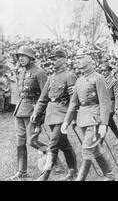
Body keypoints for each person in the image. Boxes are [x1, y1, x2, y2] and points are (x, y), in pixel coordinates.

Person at [61, 48, 114, 181]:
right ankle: (109, 175)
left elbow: (105, 102)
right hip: (83, 119)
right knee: (94, 149)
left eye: (80, 58)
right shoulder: (79, 80)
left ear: (89, 59)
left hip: (95, 119)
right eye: (77, 58)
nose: (77, 61)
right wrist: (66, 121)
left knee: (87, 150)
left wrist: (104, 123)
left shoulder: (98, 78)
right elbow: (73, 103)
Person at [31, 48, 78, 181]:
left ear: (63, 60)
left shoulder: (70, 76)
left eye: (55, 59)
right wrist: (36, 112)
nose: (53, 62)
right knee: (65, 145)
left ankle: (44, 175)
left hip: (63, 115)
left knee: (53, 145)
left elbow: (73, 100)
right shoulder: (51, 77)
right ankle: (73, 172)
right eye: (51, 59)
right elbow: (43, 98)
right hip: (51, 115)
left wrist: (72, 118)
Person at [7, 46, 48, 180]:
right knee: (20, 141)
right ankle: (21, 171)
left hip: (33, 111)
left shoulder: (39, 72)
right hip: (20, 110)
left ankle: (51, 157)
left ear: (31, 57)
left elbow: (45, 95)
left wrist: (41, 115)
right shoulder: (21, 72)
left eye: (23, 56)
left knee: (32, 141)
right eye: (19, 56)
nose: (21, 58)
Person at [100, 63, 118, 146]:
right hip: (103, 104)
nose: (103, 72)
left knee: (105, 122)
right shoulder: (101, 80)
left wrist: (117, 108)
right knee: (110, 122)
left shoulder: (114, 81)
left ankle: (100, 142)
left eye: (105, 70)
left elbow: (117, 95)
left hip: (112, 104)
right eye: (102, 71)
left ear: (110, 71)